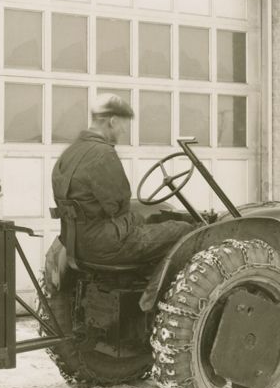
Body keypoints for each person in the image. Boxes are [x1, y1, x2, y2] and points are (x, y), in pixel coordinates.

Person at [51, 94, 194, 266]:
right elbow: (119, 205)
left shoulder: (71, 151)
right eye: (123, 124)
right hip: (106, 246)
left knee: (145, 218)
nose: (124, 131)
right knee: (186, 230)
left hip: (76, 242)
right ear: (112, 121)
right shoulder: (103, 154)